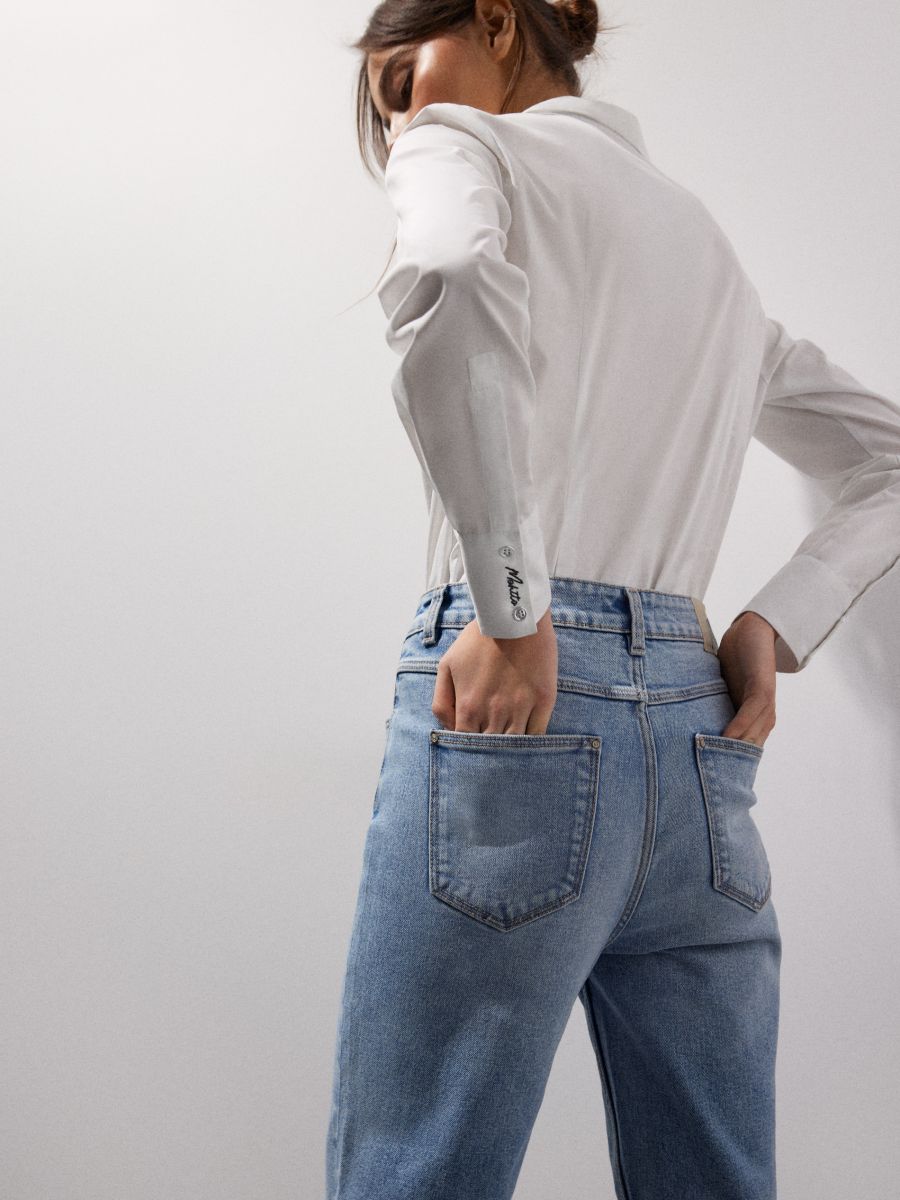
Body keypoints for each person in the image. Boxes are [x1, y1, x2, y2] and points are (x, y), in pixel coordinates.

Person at [325, 2, 900, 1198]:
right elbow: (885, 457)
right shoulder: (707, 250)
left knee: (417, 1173)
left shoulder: (464, 145)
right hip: (700, 746)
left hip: (519, 719)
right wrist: (776, 622)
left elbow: (446, 267)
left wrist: (512, 608)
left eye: (400, 79)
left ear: (493, 19)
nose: (402, 116)